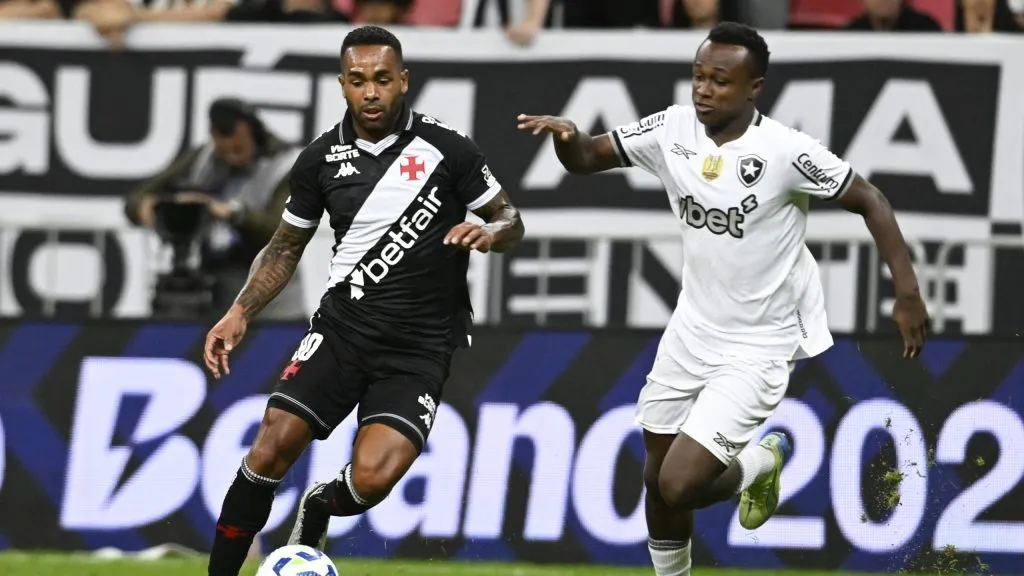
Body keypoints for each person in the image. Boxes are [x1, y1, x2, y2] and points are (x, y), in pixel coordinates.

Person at [518, 21, 928, 576]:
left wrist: (906, 292)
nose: (704, 90)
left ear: (754, 87)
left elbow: (871, 200)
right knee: (655, 481)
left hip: (759, 343)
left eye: (721, 81)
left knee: (680, 484)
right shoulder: (672, 128)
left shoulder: (785, 151)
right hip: (691, 330)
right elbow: (591, 157)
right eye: (698, 77)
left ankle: (760, 462)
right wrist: (569, 139)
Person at [202, 25, 524, 576]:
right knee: (270, 447)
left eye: (381, 79)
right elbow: (284, 247)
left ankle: (320, 505)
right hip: (343, 331)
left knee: (372, 478)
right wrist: (240, 311)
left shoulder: (448, 148)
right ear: (342, 85)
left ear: (403, 81)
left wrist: (491, 235)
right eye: (357, 81)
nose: (370, 92)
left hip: (420, 346)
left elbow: (510, 218)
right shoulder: (320, 159)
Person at [125, 97, 307, 320]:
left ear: (251, 134)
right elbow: (138, 197)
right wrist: (147, 207)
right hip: (217, 288)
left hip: (273, 295)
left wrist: (233, 213)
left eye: (238, 149)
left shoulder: (287, 166)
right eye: (224, 151)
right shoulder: (204, 158)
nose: (230, 156)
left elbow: (281, 231)